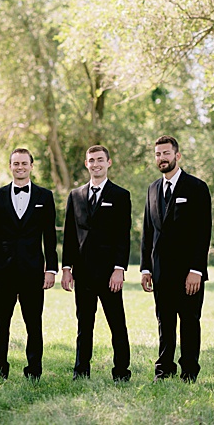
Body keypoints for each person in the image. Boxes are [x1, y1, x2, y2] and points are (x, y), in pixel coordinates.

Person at [140, 135, 212, 382]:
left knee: (189, 321)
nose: (162, 158)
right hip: (160, 270)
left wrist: (197, 269)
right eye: (158, 154)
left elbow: (203, 232)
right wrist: (146, 268)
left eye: (166, 153)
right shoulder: (152, 189)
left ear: (177, 156)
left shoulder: (197, 187)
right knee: (165, 322)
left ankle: (189, 371)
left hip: (188, 271)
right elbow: (148, 231)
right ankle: (164, 369)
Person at [0, 148, 58, 380]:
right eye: (16, 163)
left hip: (33, 271)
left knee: (34, 324)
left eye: (24, 163)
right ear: (10, 166)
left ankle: (34, 370)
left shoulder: (45, 196)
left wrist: (51, 269)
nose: (20, 167)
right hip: (3, 271)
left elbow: (50, 236)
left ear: (31, 166)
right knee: (0, 324)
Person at [60, 145, 132, 382]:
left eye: (100, 159)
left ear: (108, 163)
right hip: (82, 273)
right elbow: (70, 235)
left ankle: (121, 372)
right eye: (91, 160)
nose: (96, 164)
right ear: (86, 164)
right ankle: (81, 371)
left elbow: (123, 236)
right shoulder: (75, 195)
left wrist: (119, 269)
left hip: (110, 274)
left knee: (117, 324)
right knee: (84, 325)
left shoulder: (120, 195)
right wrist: (67, 268)